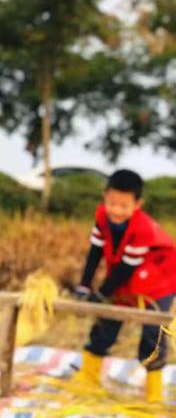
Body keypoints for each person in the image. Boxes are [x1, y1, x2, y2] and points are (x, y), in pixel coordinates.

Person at [74, 169, 176, 402]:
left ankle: (153, 396)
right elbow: (95, 253)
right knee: (106, 320)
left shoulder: (143, 229)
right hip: (127, 280)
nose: (116, 211)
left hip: (159, 280)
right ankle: (87, 380)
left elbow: (126, 268)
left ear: (137, 204)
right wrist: (84, 286)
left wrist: (101, 292)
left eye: (123, 206)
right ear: (104, 197)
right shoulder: (101, 218)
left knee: (153, 332)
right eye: (112, 203)